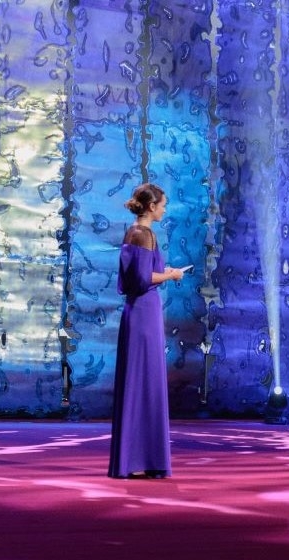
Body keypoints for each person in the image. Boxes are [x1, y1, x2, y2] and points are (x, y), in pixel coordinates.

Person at [109, 183, 185, 479]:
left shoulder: (133, 232)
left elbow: (138, 275)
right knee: (146, 382)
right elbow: (142, 279)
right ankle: (143, 459)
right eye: (162, 205)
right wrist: (171, 274)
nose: (164, 209)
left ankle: (136, 459)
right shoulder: (145, 234)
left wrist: (163, 273)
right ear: (151, 207)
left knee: (140, 381)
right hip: (144, 312)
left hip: (139, 311)